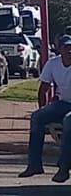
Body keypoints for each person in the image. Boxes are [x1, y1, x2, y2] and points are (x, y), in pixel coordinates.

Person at [21, 34, 71, 181]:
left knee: (68, 121)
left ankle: (64, 167)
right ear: (60, 50)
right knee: (37, 117)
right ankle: (34, 164)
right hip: (63, 103)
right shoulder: (53, 64)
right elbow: (43, 88)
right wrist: (43, 108)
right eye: (66, 48)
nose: (70, 51)